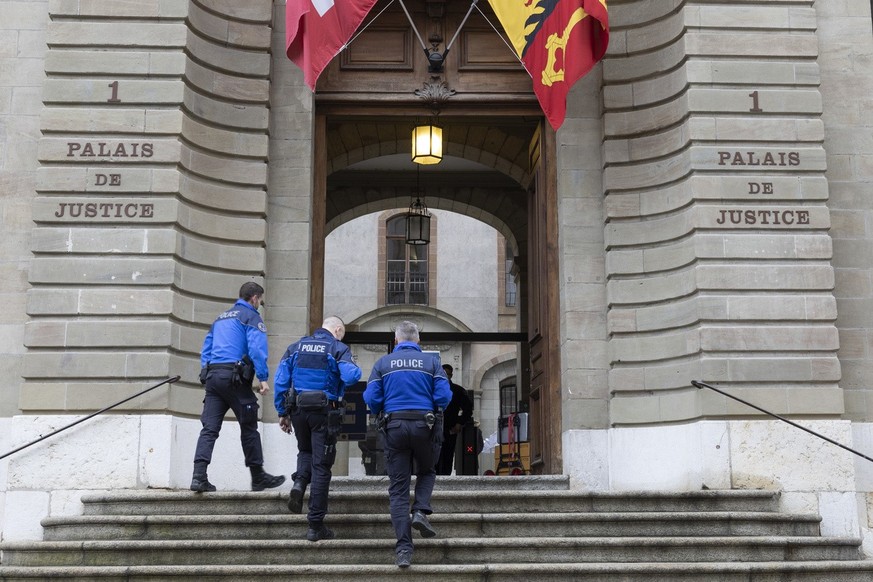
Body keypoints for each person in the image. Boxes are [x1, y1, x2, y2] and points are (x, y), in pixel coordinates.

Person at [363, 321, 452, 568]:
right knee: (427, 471)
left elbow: (371, 398)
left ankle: (404, 550)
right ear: (418, 341)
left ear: (396, 340)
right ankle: (421, 510)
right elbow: (444, 396)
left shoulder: (383, 364)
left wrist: (384, 408)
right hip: (425, 425)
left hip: (394, 427)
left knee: (399, 489)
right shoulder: (432, 363)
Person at [191, 281, 286, 493]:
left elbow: (206, 349)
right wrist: (262, 378)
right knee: (249, 425)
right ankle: (258, 476)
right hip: (234, 379)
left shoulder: (220, 318)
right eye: (260, 300)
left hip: (214, 377)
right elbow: (257, 349)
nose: (260, 304)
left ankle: (198, 476)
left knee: (209, 429)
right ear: (254, 298)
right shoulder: (251, 316)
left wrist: (207, 372)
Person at [274, 316, 362, 542]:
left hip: (299, 410)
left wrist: (282, 412)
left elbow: (281, 381)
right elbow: (351, 376)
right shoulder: (337, 347)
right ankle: (315, 525)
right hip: (324, 411)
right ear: (338, 329)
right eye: (342, 332)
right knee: (322, 466)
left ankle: (300, 483)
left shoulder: (295, 347)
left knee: (305, 451)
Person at [435, 364, 474, 475]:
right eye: (444, 373)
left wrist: (459, 422)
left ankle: (446, 478)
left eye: (448, 373)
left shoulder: (458, 391)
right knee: (434, 456)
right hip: (435, 428)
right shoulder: (432, 389)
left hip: (450, 428)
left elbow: (468, 410)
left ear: (451, 375)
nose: (446, 376)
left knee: (448, 455)